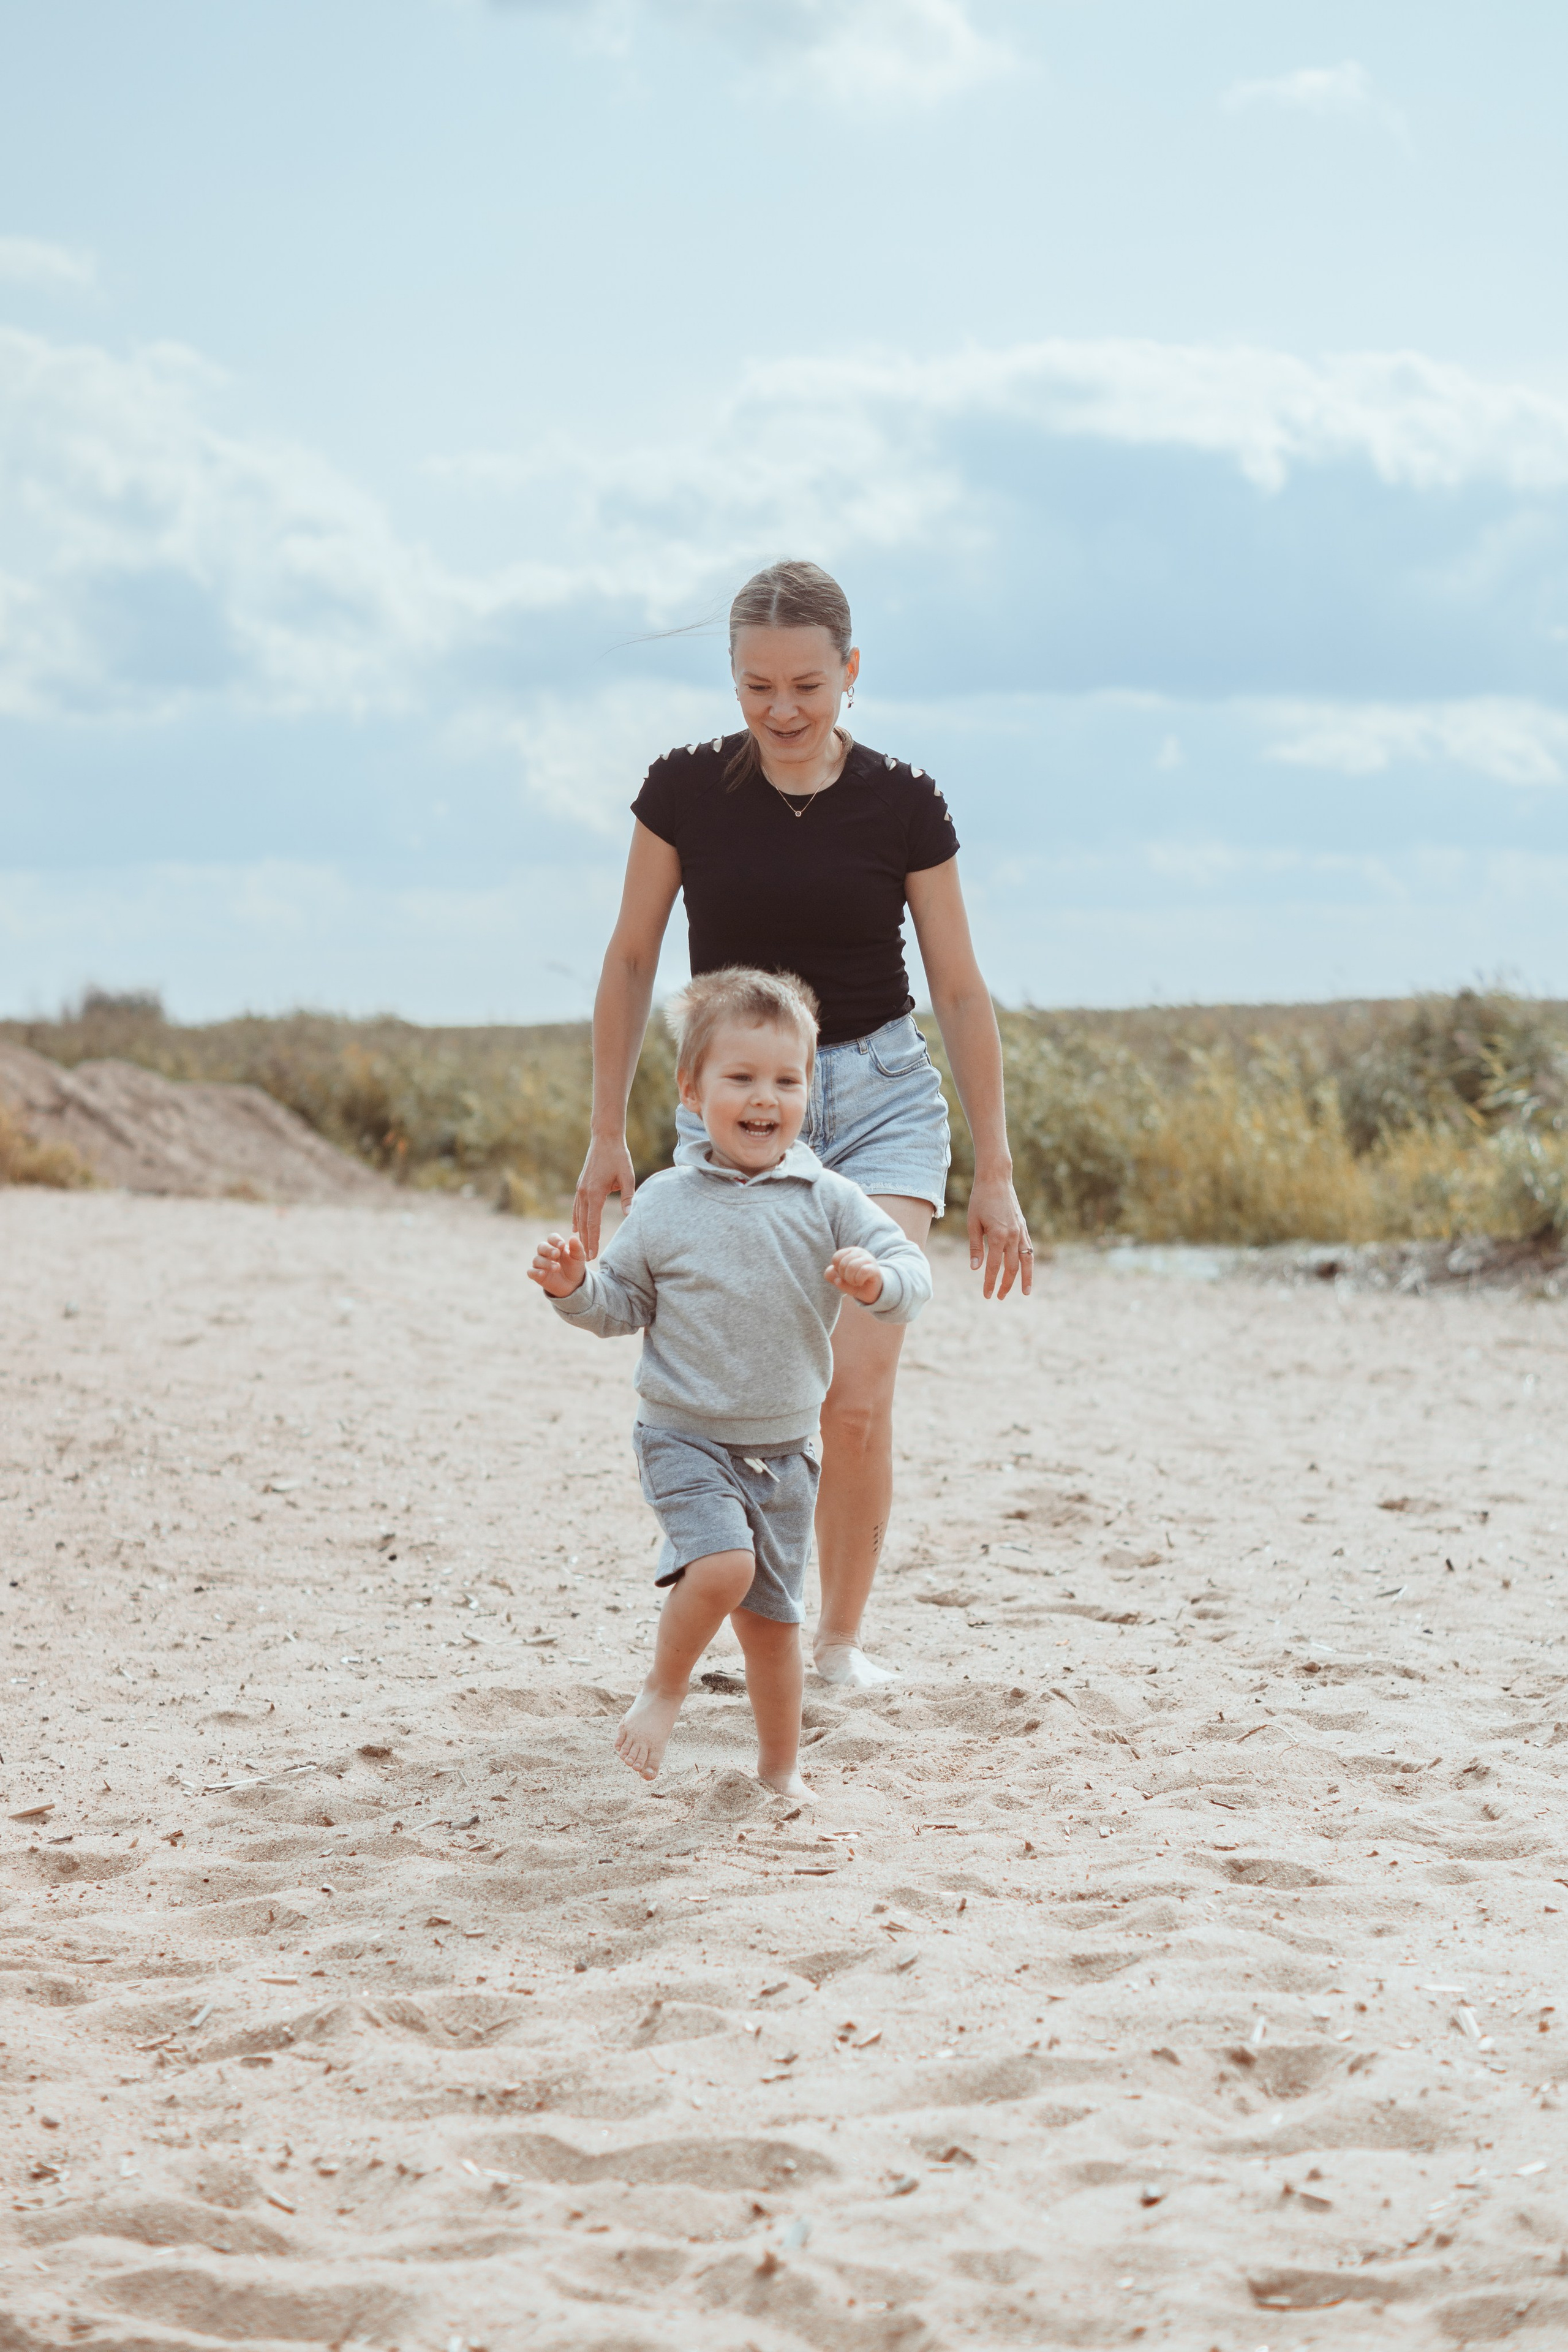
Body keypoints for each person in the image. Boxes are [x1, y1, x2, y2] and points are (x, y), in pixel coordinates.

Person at [573, 559, 1030, 1691]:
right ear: (732, 678)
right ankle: (757, 1617)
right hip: (732, 1104)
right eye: (757, 686)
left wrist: (996, 1171)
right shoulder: (681, 792)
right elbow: (632, 960)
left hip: (880, 1102)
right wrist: (604, 1132)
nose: (782, 711)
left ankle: (839, 1645)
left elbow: (962, 992)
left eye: (807, 688)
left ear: (851, 673)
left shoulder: (905, 803)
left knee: (854, 1391)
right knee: (740, 1386)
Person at [532, 968, 932, 1791]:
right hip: (683, 1435)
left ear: (809, 1089)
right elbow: (621, 1303)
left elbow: (910, 1271)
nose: (765, 1098)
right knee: (722, 1570)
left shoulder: (829, 1198)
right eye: (741, 1078)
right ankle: (662, 1690)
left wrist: (877, 1283)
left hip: (787, 1452)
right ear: (692, 1089)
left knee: (771, 1628)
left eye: (787, 1080)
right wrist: (574, 1288)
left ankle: (779, 1775)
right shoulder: (668, 1203)